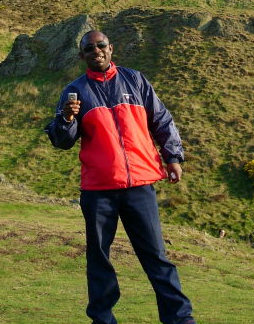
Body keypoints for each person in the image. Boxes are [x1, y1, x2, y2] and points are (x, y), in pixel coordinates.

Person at [45, 30, 197, 324]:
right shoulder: (74, 91)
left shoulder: (135, 80)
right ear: (82, 55)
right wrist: (67, 118)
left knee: (156, 256)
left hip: (140, 185)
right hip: (98, 190)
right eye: (90, 48)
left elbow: (161, 120)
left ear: (111, 48)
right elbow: (62, 141)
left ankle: (180, 319)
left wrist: (173, 157)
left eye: (101, 45)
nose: (97, 51)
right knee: (99, 258)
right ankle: (103, 319)